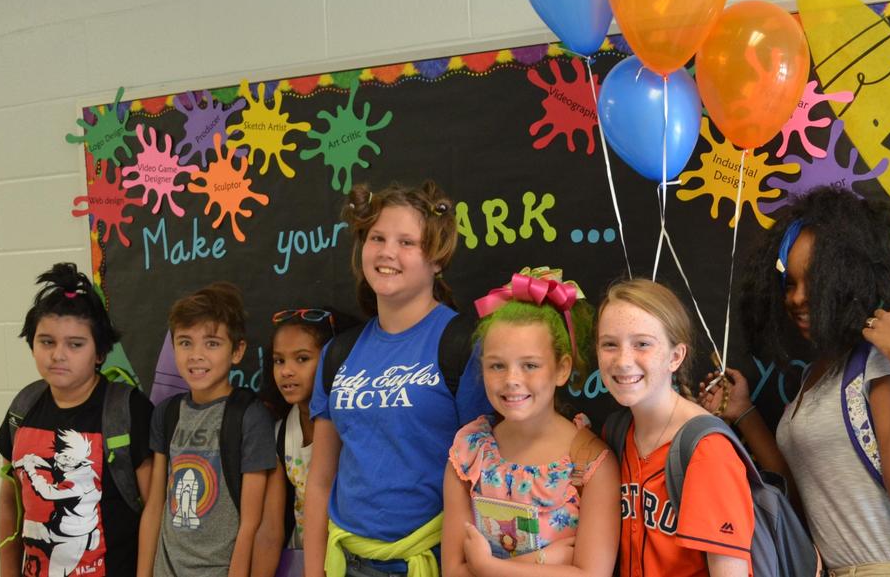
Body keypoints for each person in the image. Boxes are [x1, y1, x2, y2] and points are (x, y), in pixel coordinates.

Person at [700, 187, 890, 576]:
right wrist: (744, 413)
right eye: (790, 284)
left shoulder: (877, 361)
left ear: (846, 277)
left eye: (814, 281)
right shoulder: (815, 374)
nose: (797, 299)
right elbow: (801, 495)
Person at [304, 181, 492, 577]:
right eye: (377, 238)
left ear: (438, 259)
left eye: (407, 242)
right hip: (346, 562)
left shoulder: (463, 346)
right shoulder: (337, 354)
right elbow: (320, 480)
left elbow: (486, 478)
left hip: (431, 562)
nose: (388, 252)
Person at [441, 267, 620, 577]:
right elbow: (454, 571)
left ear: (562, 369)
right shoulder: (469, 453)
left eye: (530, 365)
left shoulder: (590, 464)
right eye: (497, 365)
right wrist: (545, 561)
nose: (512, 380)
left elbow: (592, 575)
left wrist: (485, 566)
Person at [0, 262, 154, 577]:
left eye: (75, 344)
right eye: (47, 341)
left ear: (99, 352)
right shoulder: (23, 408)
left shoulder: (127, 410)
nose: (58, 354)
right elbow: (8, 502)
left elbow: (155, 508)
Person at [597, 279, 754, 577]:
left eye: (642, 344)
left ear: (675, 356)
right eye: (609, 344)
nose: (622, 360)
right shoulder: (616, 433)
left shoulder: (706, 451)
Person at [137, 282, 276, 577]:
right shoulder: (167, 413)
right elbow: (154, 505)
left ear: (237, 351)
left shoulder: (249, 416)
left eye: (212, 343)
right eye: (185, 342)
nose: (196, 355)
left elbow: (252, 522)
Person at [252, 307, 359, 577]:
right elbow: (271, 529)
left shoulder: (354, 427)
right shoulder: (280, 434)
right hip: (303, 563)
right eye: (279, 361)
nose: (287, 371)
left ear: (333, 361)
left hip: (355, 563)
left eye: (302, 359)